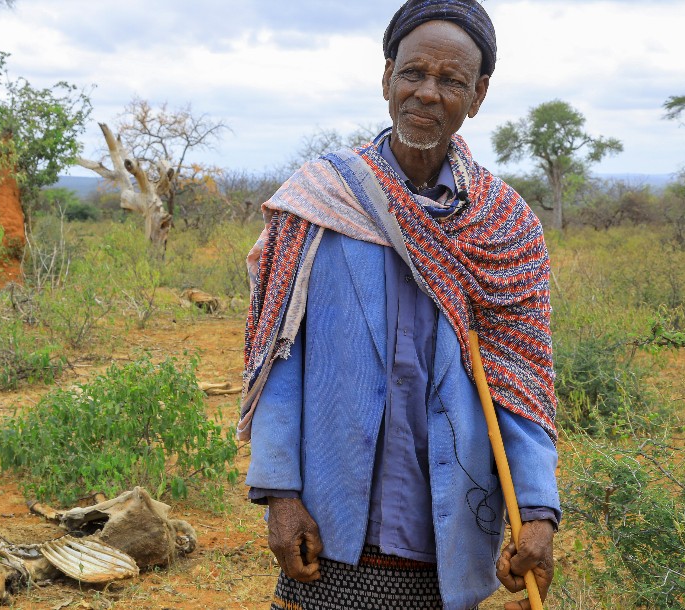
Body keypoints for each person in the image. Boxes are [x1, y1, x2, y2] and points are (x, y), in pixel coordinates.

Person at [240, 2, 560, 609]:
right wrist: (278, 494)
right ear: (386, 77)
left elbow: (523, 384)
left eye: (451, 80)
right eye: (413, 73)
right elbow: (278, 361)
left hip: (447, 533)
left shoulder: (504, 229)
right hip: (328, 531)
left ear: (479, 93)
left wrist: (539, 511)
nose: (427, 93)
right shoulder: (317, 203)